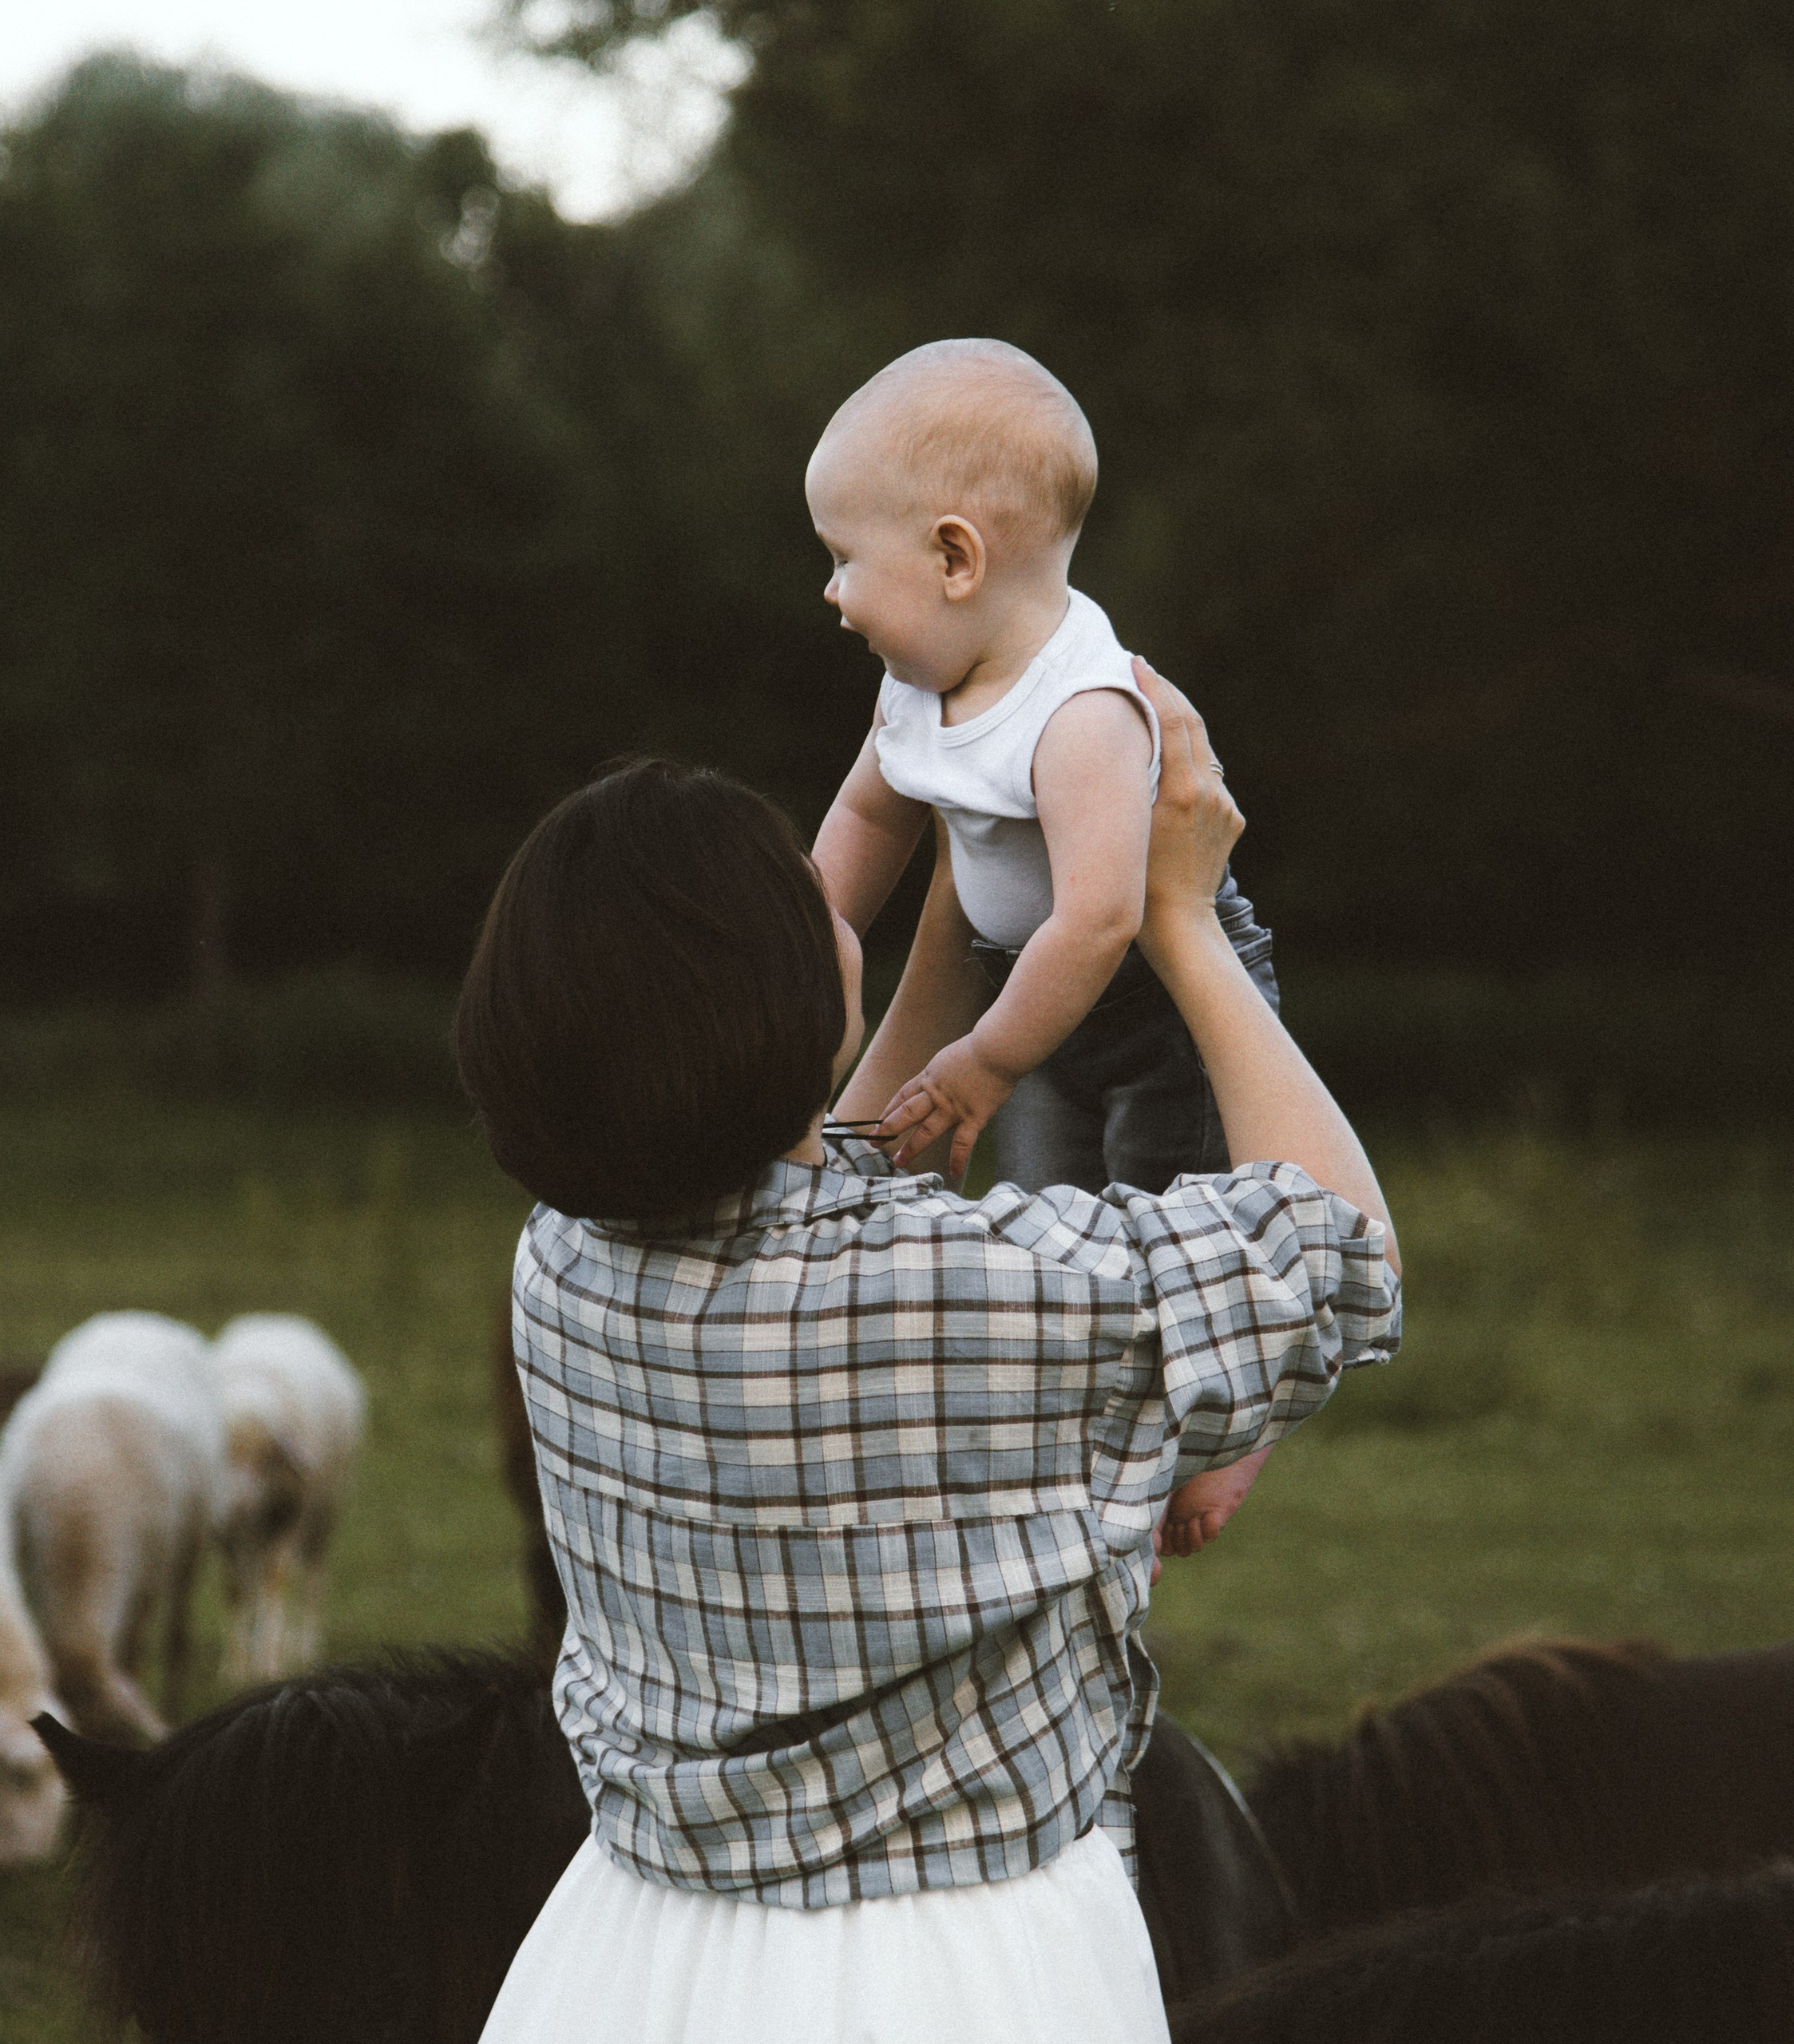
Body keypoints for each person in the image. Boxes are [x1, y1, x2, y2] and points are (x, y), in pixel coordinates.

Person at [453, 670, 1400, 2044]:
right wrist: (1185, 923)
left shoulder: (563, 1262)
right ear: (761, 1002)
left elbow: (806, 1163)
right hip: (962, 1974)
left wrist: (960, 905)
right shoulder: (981, 1298)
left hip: (635, 1951)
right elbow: (1340, 1256)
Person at [810, 336, 1284, 1555]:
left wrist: (983, 1058)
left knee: (1184, 1216)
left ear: (955, 557)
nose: (832, 594)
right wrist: (807, 925)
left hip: (1156, 1003)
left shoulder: (1080, 711)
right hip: (1029, 1002)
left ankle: (1233, 1430)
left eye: (844, 559)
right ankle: (1082, 1449)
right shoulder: (922, 683)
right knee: (1053, 1220)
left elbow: (1104, 916)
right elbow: (872, 812)